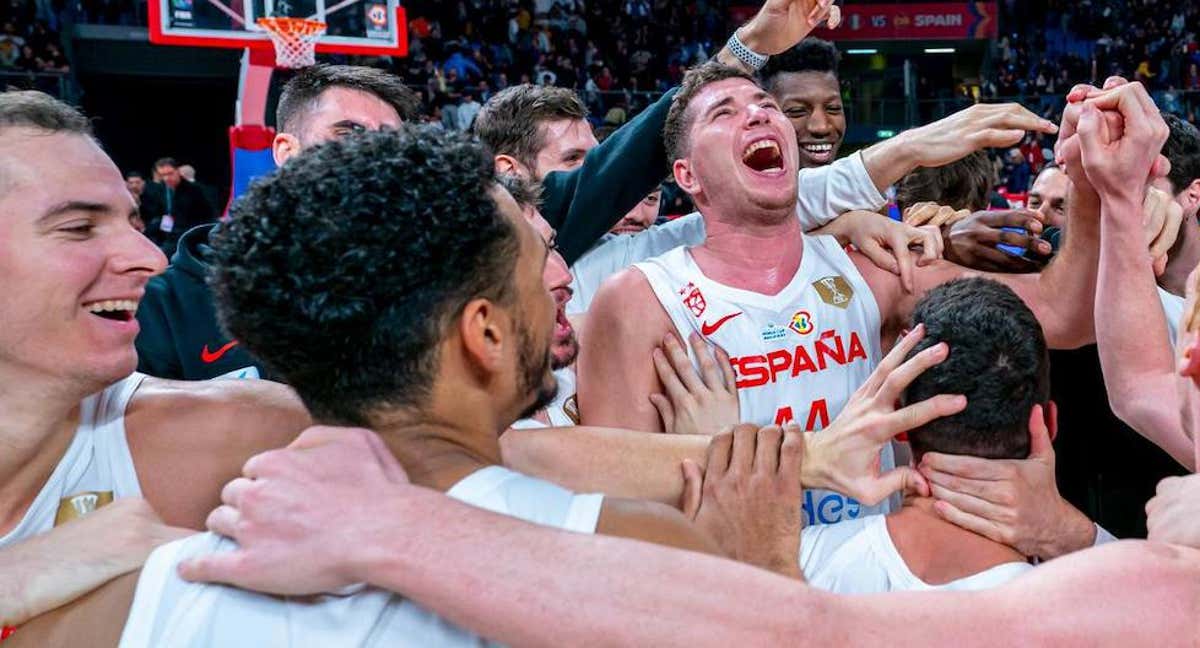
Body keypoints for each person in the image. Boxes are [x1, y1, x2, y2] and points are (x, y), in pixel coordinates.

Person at [575, 62, 1100, 541]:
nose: (758, 114)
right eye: (724, 112)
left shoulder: (871, 268)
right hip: (735, 600)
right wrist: (718, 468)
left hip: (869, 593)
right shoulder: (640, 299)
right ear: (687, 176)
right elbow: (615, 520)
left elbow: (1063, 316)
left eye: (766, 105)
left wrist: (1090, 182)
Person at [0, 90, 310, 627]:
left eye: (132, 221)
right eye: (78, 227)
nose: (149, 259)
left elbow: (487, 472)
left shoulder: (240, 434)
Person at [134, 64, 421, 381]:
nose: (376, 154)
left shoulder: (423, 290)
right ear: (287, 151)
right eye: (349, 134)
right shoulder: (169, 304)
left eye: (392, 142)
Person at [800, 278, 1045, 593]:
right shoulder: (1087, 605)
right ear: (1048, 425)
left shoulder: (795, 563)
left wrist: (805, 458)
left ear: (899, 427)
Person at [141, 157, 216, 254]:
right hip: (167, 232)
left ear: (178, 171)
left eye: (170, 173)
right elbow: (160, 213)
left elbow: (207, 216)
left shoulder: (195, 190)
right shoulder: (161, 189)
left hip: (188, 234)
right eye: (162, 175)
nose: (166, 178)